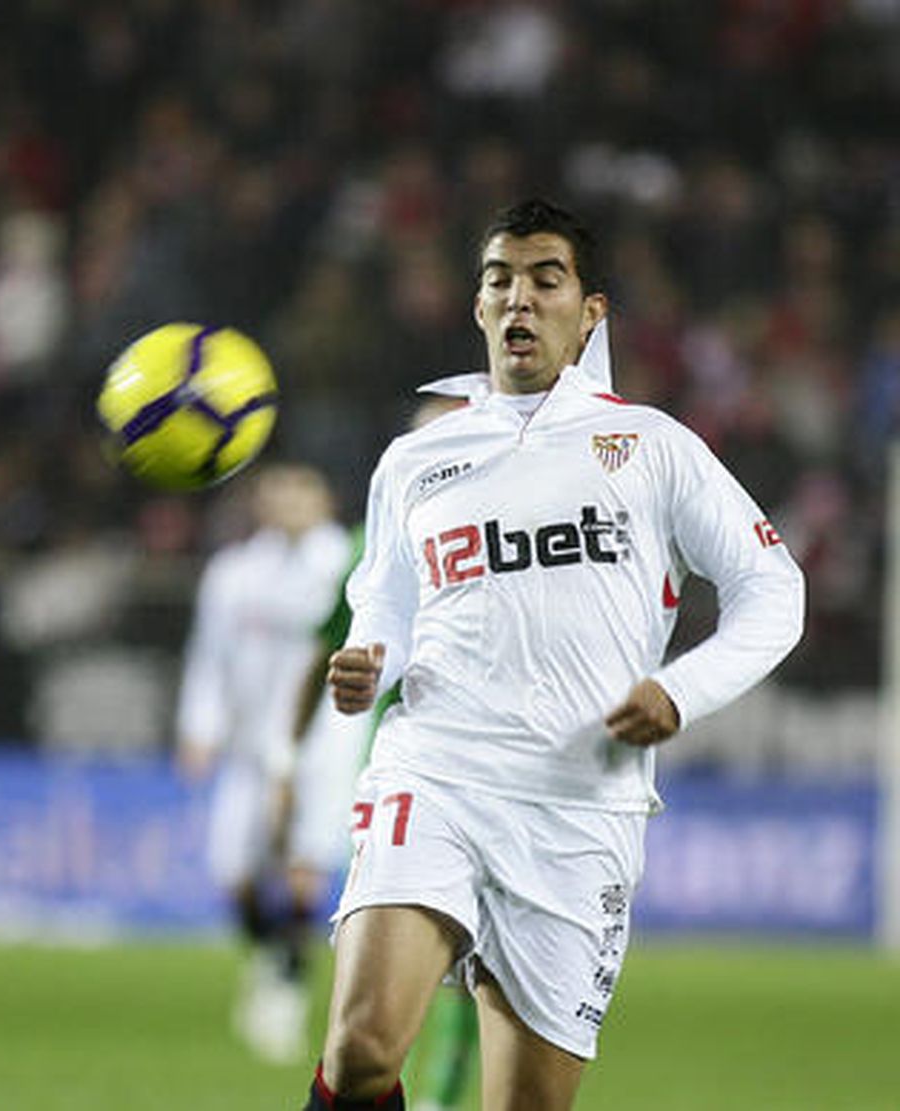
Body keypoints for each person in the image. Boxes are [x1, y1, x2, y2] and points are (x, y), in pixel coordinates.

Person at [303, 198, 804, 1110]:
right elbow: (385, 598)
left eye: (546, 279)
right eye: (501, 281)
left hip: (580, 810)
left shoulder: (651, 447)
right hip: (439, 770)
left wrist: (679, 691)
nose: (521, 299)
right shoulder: (417, 460)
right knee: (364, 1045)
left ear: (591, 311)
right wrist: (369, 653)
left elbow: (777, 594)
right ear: (479, 307)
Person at [291, 395, 477, 1111]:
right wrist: (293, 744)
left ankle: (444, 1091)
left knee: (477, 979)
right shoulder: (377, 533)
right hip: (403, 771)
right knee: (367, 1032)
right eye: (418, 432)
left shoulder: (524, 511)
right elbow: (332, 645)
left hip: (519, 781)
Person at [175, 462, 353, 1063]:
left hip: (324, 741)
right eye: (277, 490)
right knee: (235, 873)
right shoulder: (234, 573)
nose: (289, 501)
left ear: (323, 498)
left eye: (301, 488)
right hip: (250, 748)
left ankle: (287, 985)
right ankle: (271, 954)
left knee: (305, 864)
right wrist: (199, 727)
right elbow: (209, 655)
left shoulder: (346, 564)